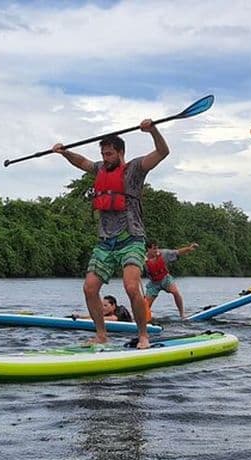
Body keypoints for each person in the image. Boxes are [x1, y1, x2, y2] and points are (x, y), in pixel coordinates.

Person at [53, 118, 170, 348]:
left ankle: (143, 336)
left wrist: (153, 130)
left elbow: (163, 151)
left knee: (130, 287)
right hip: (105, 242)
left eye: (109, 154)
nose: (105, 159)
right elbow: (82, 162)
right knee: (89, 288)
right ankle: (101, 335)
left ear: (120, 153)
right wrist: (64, 152)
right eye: (103, 154)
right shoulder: (99, 169)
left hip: (131, 239)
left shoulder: (135, 169)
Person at [144, 240, 199, 319]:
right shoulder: (143, 259)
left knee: (175, 292)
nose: (156, 251)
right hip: (153, 283)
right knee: (145, 304)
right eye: (154, 249)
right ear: (148, 249)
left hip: (165, 279)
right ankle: (143, 318)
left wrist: (189, 248)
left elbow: (177, 252)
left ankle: (182, 314)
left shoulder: (163, 253)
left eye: (157, 248)